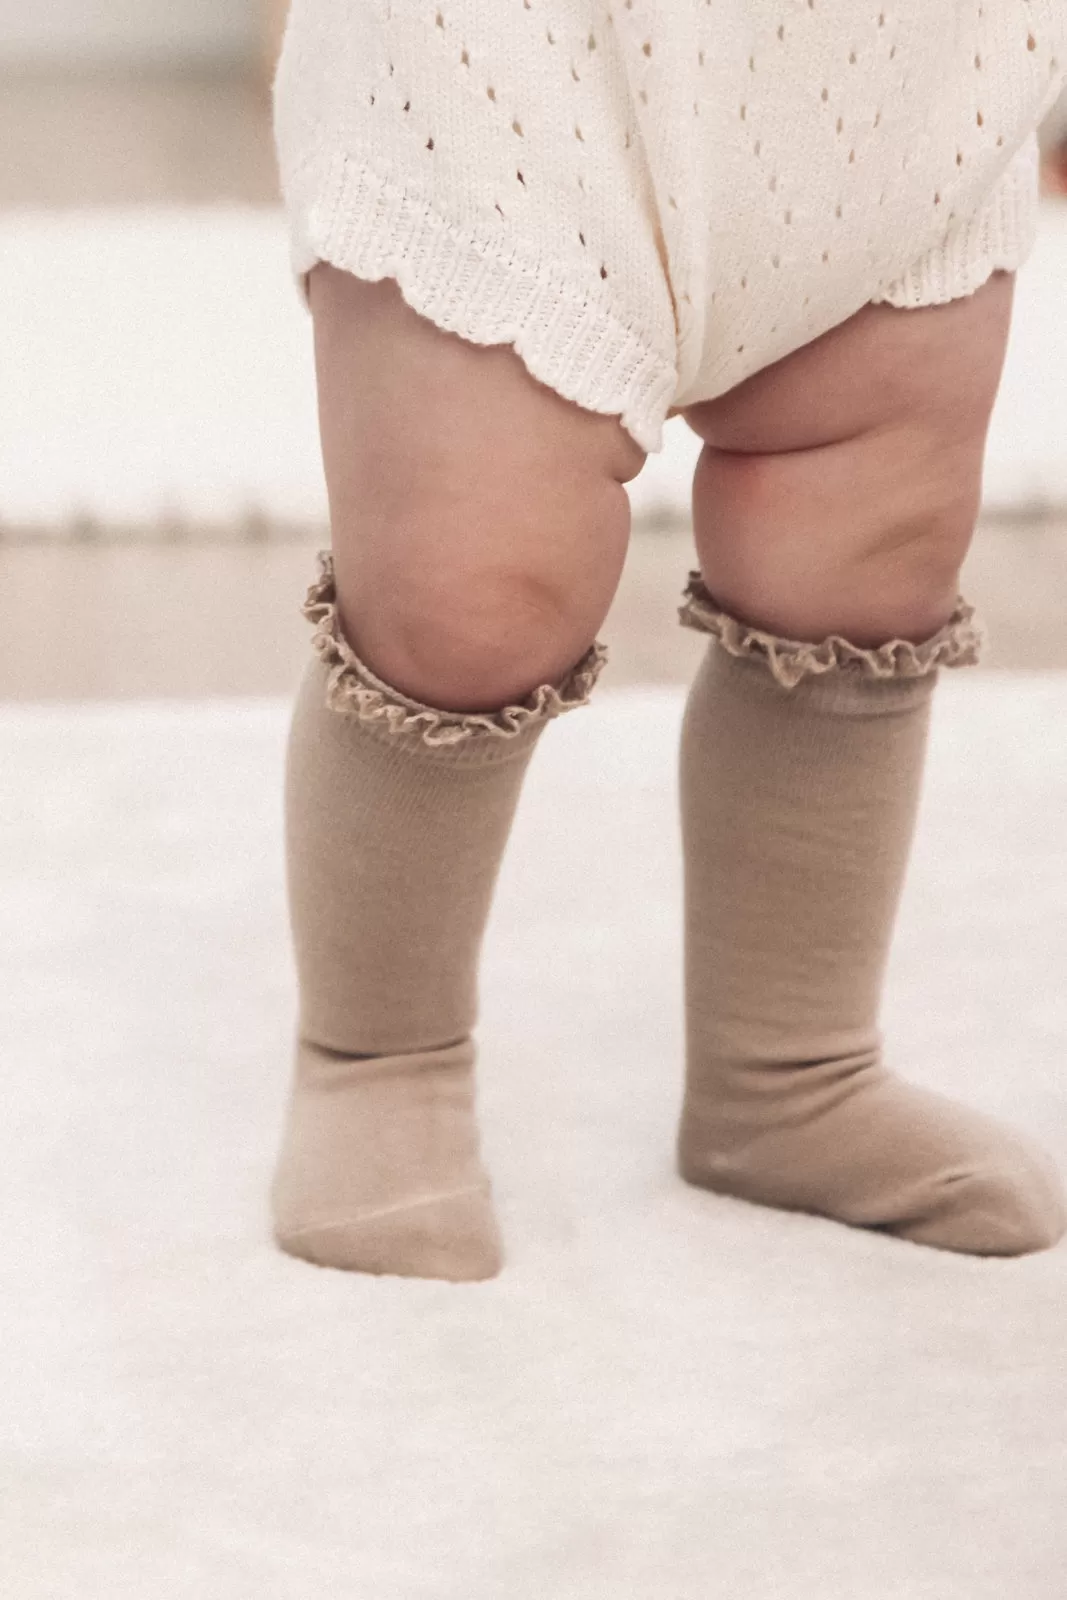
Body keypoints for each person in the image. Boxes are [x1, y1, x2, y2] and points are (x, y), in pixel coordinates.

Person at [267, 1, 1067, 1279]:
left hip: (901, 79)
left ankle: (787, 1066)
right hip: (512, 65)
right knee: (466, 586)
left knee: (866, 549)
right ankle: (379, 1058)